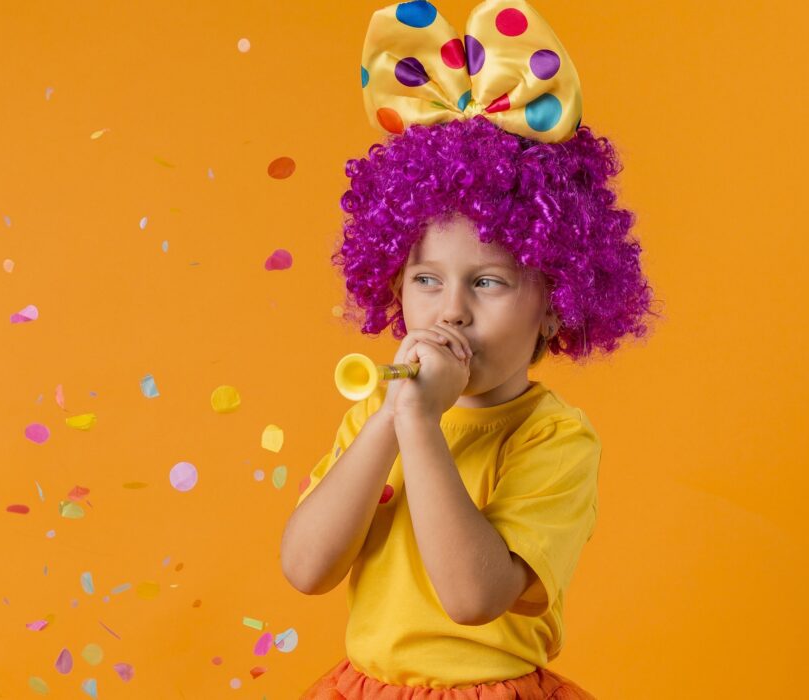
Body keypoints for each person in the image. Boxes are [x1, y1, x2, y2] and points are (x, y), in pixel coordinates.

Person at [280, 1, 662, 697]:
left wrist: (420, 425)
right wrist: (389, 421)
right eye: (426, 279)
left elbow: (471, 597)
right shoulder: (380, 409)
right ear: (394, 284)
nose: (449, 308)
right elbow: (306, 568)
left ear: (554, 306)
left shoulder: (554, 439)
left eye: (486, 282)